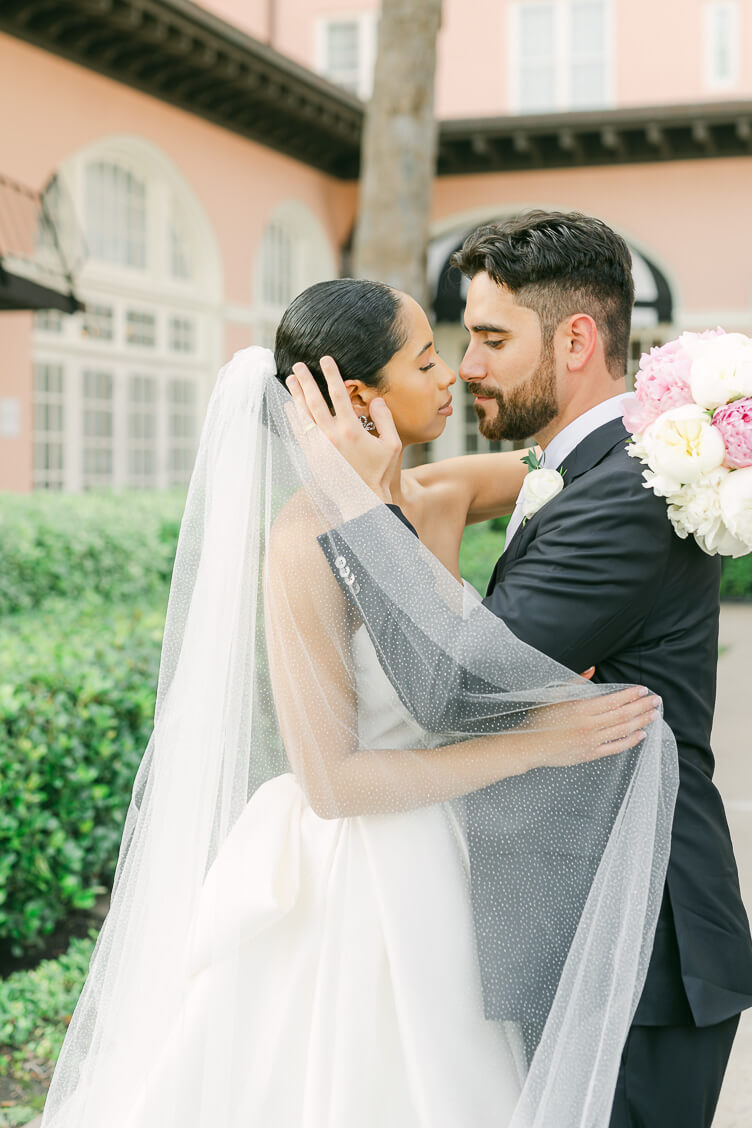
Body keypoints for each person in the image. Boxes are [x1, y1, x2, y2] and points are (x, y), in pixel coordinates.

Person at [40, 278, 672, 1128]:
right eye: (425, 360)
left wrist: (712, 419)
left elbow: (578, 460)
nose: (452, 374)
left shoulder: (440, 495)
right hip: (364, 878)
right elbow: (333, 784)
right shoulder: (302, 546)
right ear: (357, 396)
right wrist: (538, 742)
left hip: (454, 853)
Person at [289, 211, 752, 1128]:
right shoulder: (581, 466)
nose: (467, 366)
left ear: (577, 339)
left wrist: (361, 514)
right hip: (576, 929)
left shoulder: (624, 496)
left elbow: (457, 691)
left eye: (493, 339)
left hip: (639, 945)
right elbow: (472, 499)